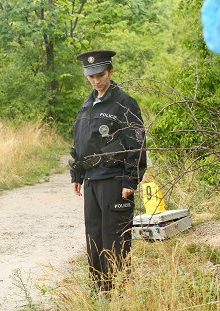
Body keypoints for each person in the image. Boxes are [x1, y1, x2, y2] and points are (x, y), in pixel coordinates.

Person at [70, 50, 147, 292]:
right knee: (94, 236)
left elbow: (136, 144)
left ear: (110, 72)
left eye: (100, 74)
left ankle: (119, 290)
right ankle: (99, 290)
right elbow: (81, 142)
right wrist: (77, 174)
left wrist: (130, 180)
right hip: (91, 181)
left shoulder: (124, 103)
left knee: (116, 237)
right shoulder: (87, 103)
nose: (95, 80)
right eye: (91, 76)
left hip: (115, 181)